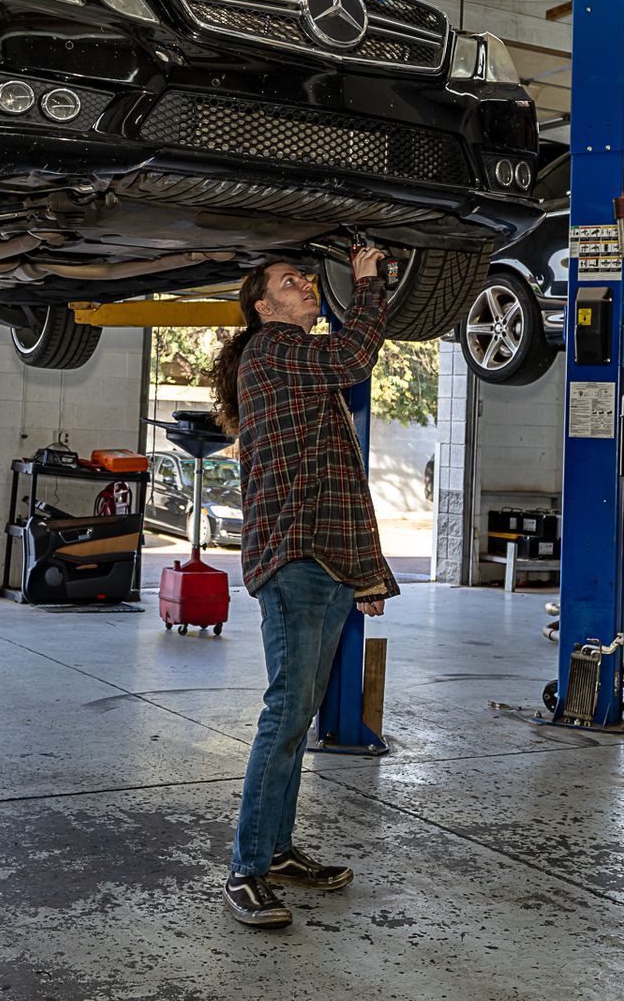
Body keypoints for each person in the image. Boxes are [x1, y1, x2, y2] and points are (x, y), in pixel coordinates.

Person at [208, 247, 400, 929]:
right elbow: (353, 359)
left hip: (323, 561)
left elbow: (338, 481)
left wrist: (365, 572)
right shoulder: (273, 351)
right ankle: (245, 870)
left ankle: (278, 850)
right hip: (292, 560)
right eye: (292, 281)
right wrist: (370, 281)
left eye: (306, 277)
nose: (307, 285)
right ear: (264, 307)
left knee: (296, 718)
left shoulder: (296, 370)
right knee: (286, 713)